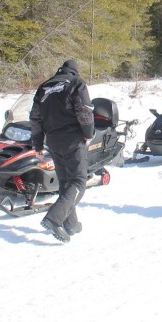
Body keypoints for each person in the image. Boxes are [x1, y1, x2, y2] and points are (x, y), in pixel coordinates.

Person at [30, 59, 95, 243]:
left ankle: (71, 224)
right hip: (72, 139)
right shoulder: (76, 84)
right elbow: (84, 111)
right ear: (75, 71)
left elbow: (35, 118)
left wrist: (37, 144)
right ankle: (54, 219)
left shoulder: (44, 87)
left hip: (53, 140)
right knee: (79, 181)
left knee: (66, 182)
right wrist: (88, 133)